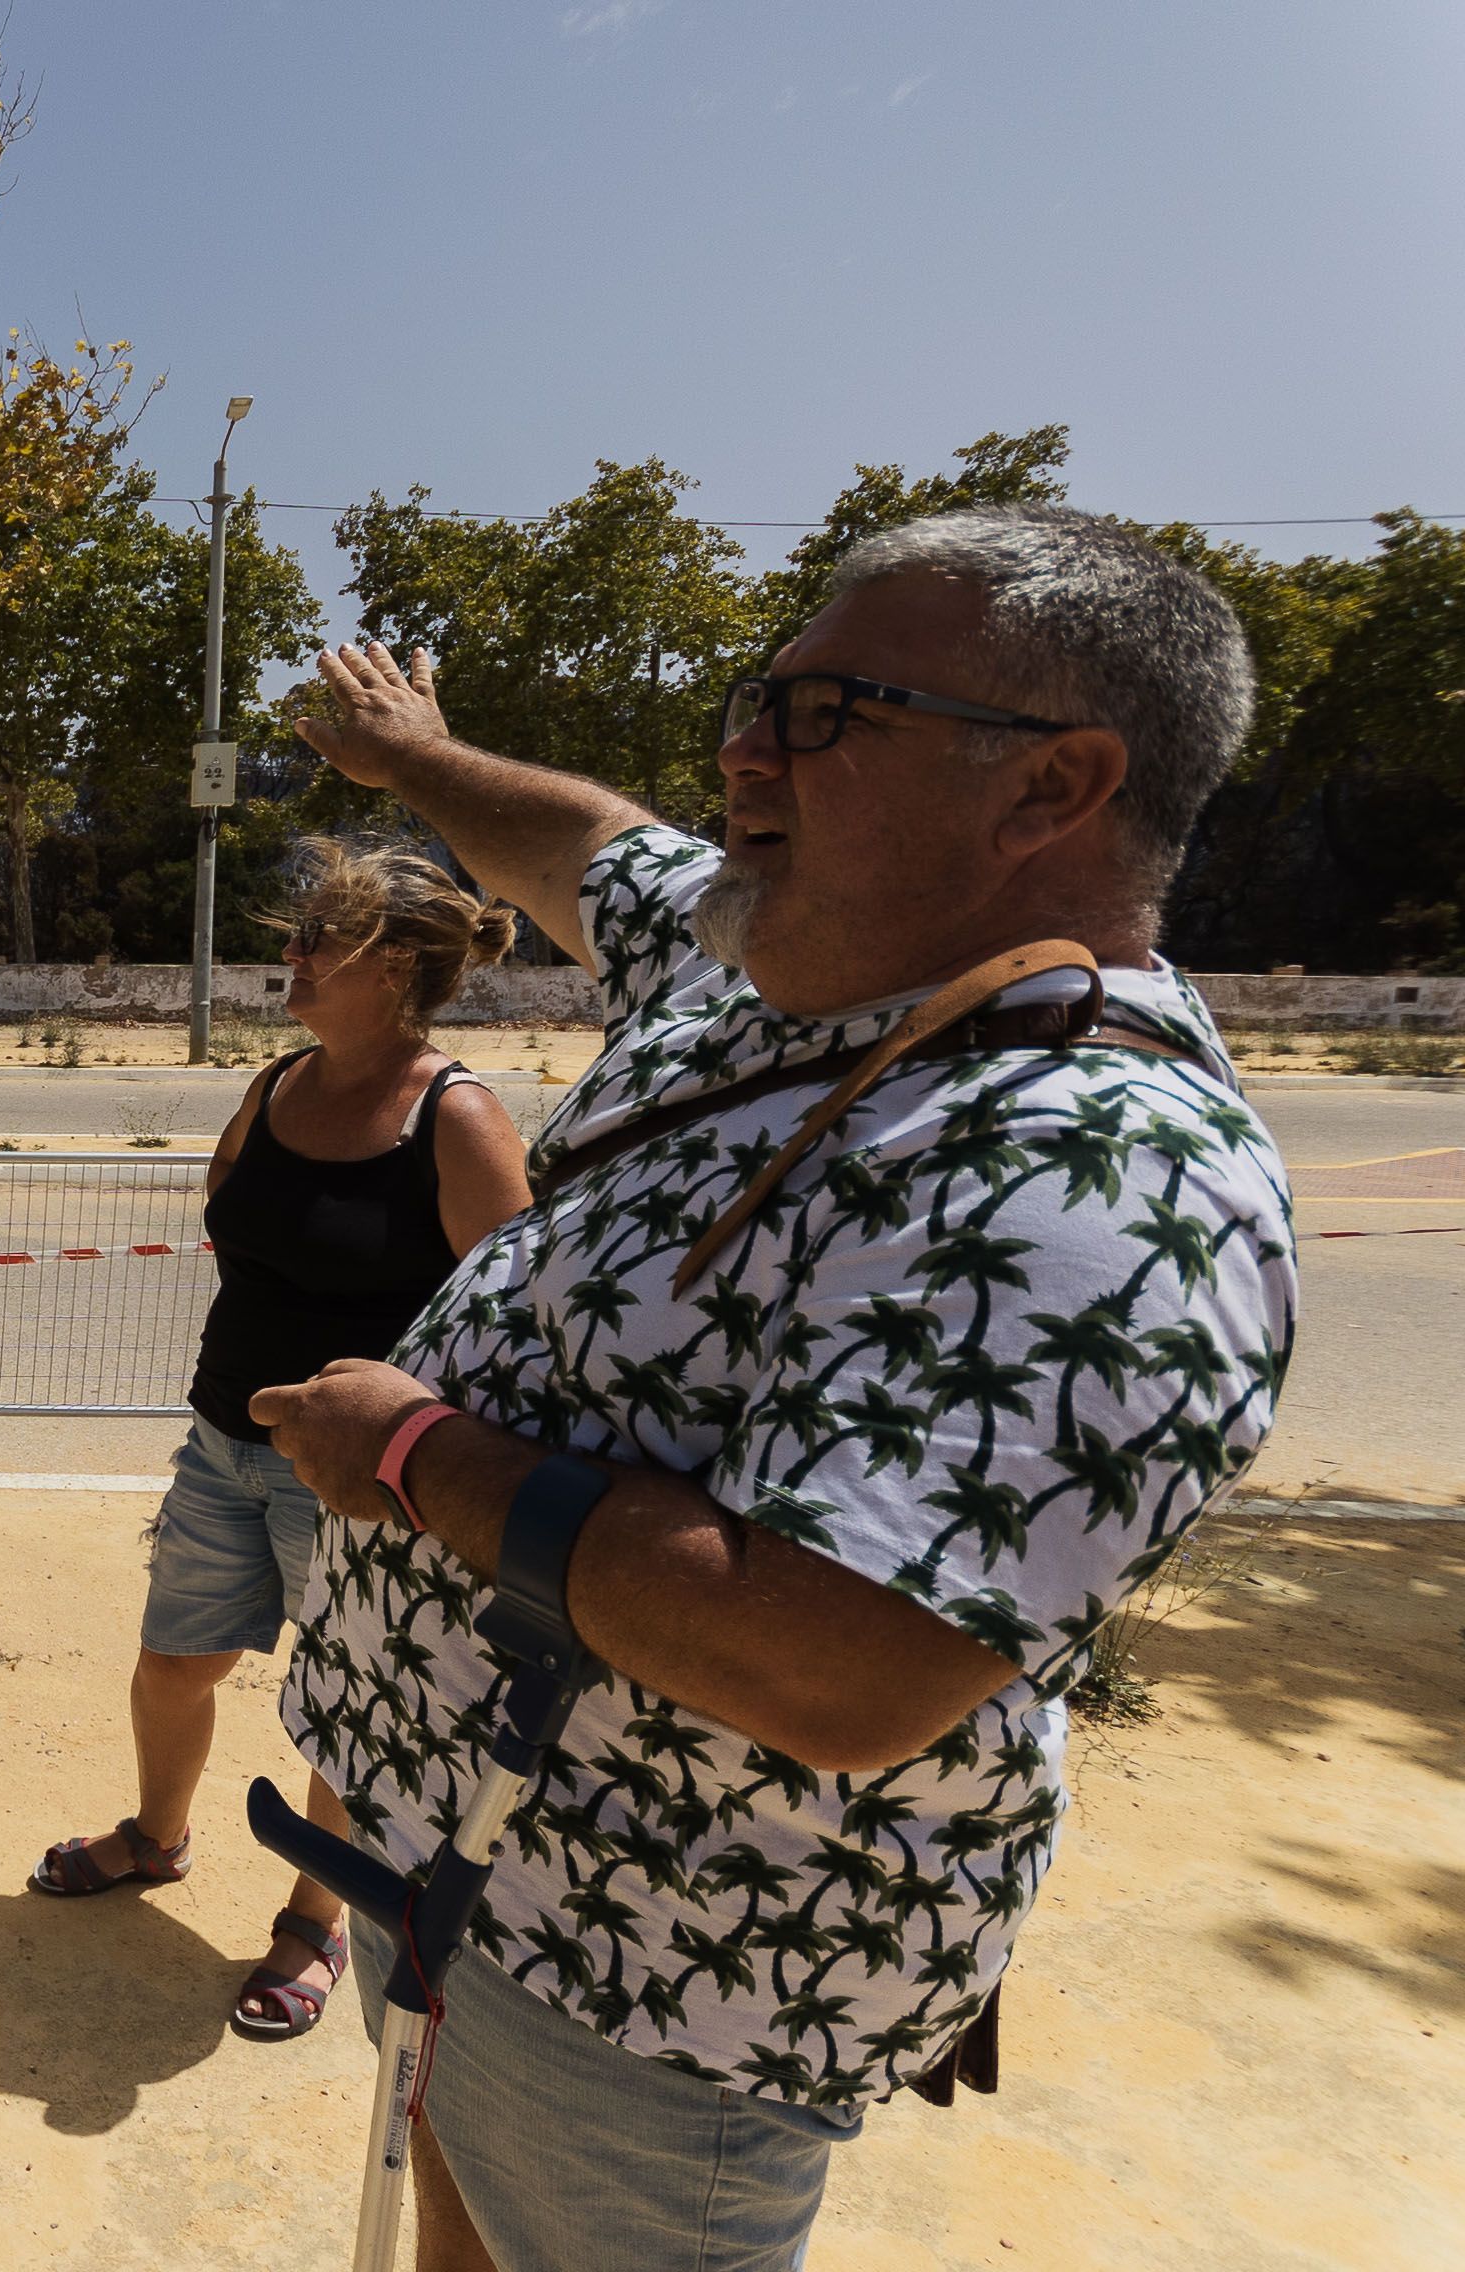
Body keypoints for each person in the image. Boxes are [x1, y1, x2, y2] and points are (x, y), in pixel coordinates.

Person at [251, 507, 1295, 2272]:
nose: (740, 745)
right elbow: (585, 842)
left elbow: (840, 1653)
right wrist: (411, 757)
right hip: (469, 1879)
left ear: (1051, 789)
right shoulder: (771, 955)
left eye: (823, 713)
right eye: (758, 695)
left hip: (652, 1985)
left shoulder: (1100, 1164)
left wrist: (417, 1454)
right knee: (453, 2217)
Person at [29, 840, 532, 2045]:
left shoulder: (455, 1117)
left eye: (321, 937)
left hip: (363, 1484)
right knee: (172, 1662)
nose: (290, 953)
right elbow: (227, 1213)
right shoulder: (275, 1086)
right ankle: (158, 1838)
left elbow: (519, 1322)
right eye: (298, 930)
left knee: (345, 1707)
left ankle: (314, 1917)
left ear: (398, 965)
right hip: (223, 1442)